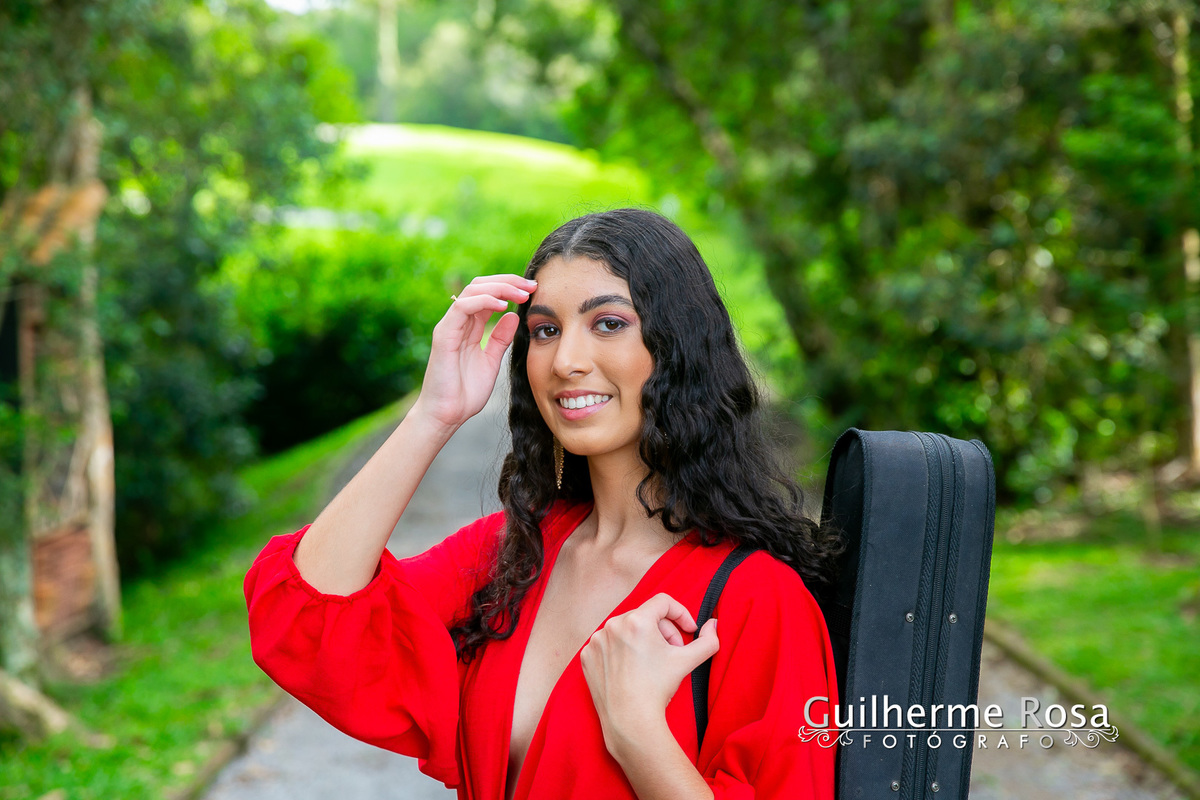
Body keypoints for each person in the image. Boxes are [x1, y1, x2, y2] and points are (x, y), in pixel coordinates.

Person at [244, 208, 842, 800]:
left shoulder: (759, 600)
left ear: (678, 348)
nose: (564, 362)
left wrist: (638, 732)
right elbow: (309, 623)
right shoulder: (510, 555)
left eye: (608, 324)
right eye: (545, 330)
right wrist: (434, 415)